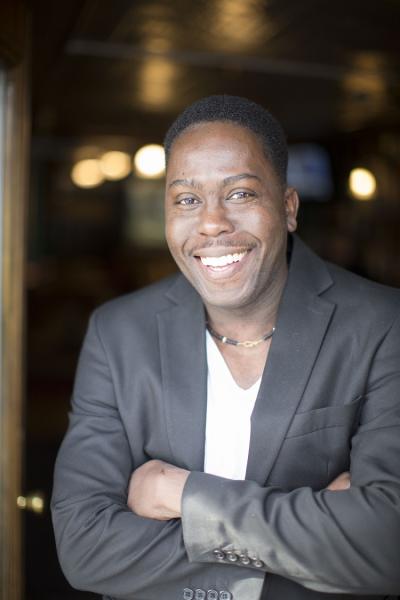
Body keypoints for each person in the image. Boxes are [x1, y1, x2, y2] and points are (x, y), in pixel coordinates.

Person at [51, 95, 400, 600]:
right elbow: (85, 548)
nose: (211, 223)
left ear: (288, 207)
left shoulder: (383, 324)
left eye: (239, 194)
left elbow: (386, 547)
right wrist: (314, 536)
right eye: (187, 200)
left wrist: (181, 493)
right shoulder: (117, 332)